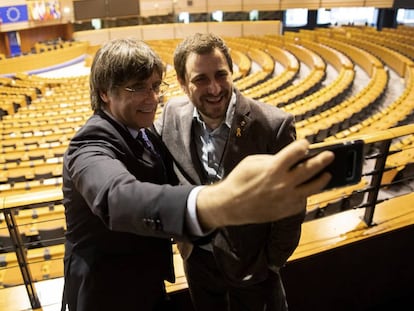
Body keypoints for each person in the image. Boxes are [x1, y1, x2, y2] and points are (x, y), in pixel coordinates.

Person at [61, 37, 334, 311]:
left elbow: (292, 208)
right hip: (109, 295)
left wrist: (272, 261)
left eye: (156, 86)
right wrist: (216, 203)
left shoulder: (144, 130)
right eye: (138, 88)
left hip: (243, 270)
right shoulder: (90, 144)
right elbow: (117, 197)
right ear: (104, 92)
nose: (153, 97)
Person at [154, 32, 305, 311]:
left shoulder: (274, 126)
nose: (214, 88)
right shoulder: (171, 114)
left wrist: (271, 261)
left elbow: (292, 206)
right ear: (182, 84)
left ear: (232, 73)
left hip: (254, 267)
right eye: (200, 79)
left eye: (221, 75)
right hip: (197, 261)